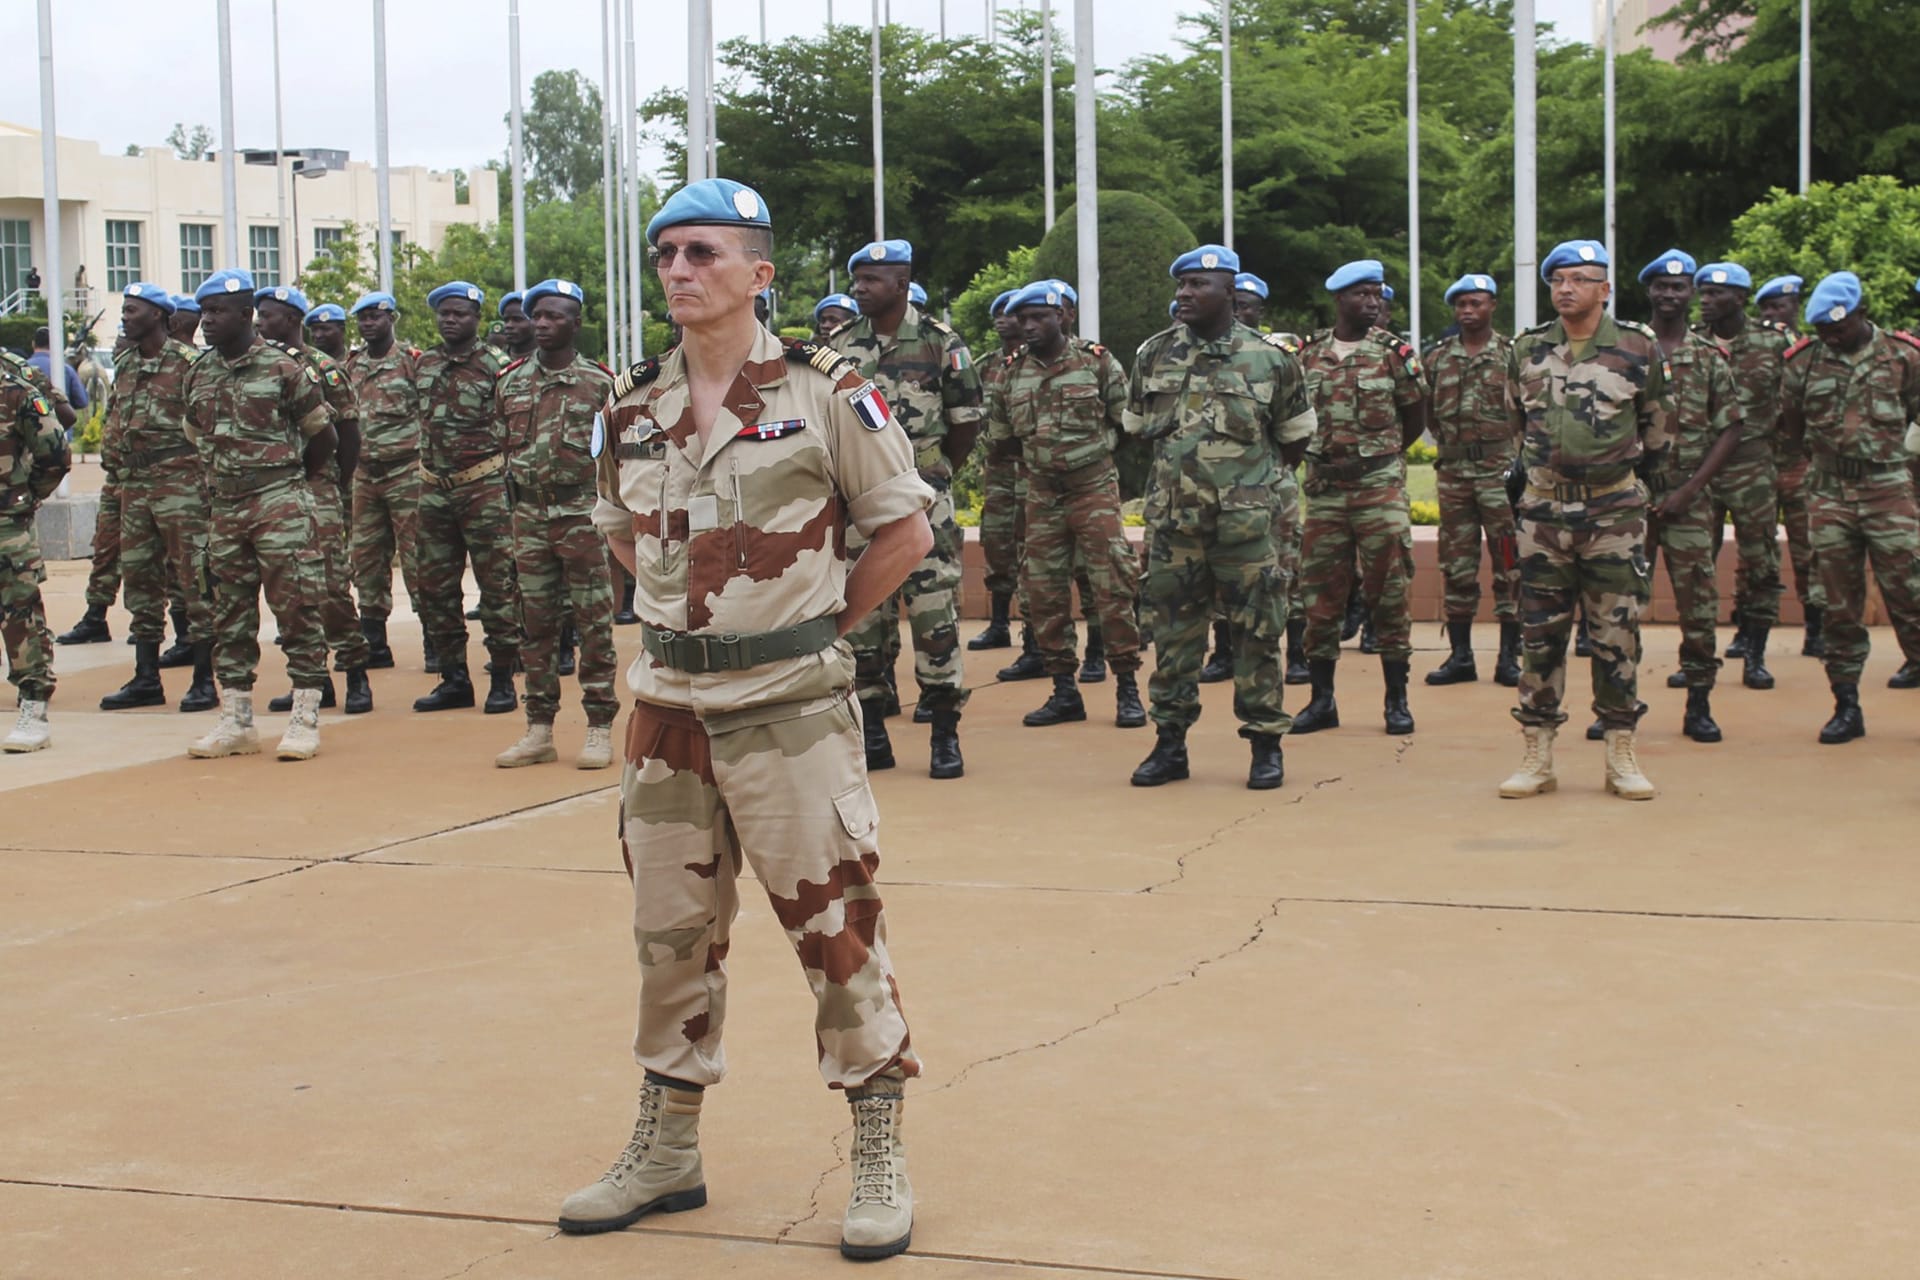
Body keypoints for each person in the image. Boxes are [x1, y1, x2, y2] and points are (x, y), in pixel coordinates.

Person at [566, 177, 929, 1261]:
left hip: (790, 713)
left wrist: (808, 628)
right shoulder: (631, 403)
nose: (679, 269)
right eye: (666, 252)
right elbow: (620, 533)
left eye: (704, 253)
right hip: (668, 710)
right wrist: (691, 621)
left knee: (836, 929)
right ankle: (667, 1144)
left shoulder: (828, 393)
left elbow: (901, 533)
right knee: (668, 935)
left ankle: (876, 1144)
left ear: (759, 273)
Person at [1125, 244, 1315, 790]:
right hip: (1174, 530)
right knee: (1173, 638)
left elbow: (1294, 441)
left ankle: (1264, 745)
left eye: (1197, 285)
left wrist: (1249, 491)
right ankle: (1169, 745)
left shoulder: (1271, 358)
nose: (1184, 293)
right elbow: (1137, 429)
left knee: (1258, 634)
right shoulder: (1153, 355)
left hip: (1249, 531)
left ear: (1230, 291)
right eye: (1180, 284)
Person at [1499, 240, 1671, 801]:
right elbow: (1516, 426)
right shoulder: (1526, 349)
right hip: (1543, 513)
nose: (1566, 289)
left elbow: (1656, 433)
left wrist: (1627, 490)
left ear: (1605, 289)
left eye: (1579, 279)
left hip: (1612, 513)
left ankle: (1620, 750)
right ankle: (1538, 753)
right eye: (1558, 280)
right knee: (1540, 634)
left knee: (1615, 636)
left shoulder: (1637, 349)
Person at [829, 239, 981, 779]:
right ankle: (873, 730)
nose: (859, 289)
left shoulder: (942, 343)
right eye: (857, 279)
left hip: (925, 505)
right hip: (861, 505)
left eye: (871, 280)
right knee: (863, 618)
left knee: (935, 616)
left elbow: (967, 421)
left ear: (900, 282)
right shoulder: (841, 347)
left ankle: (944, 733)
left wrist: (934, 474)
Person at [179, 268, 338, 762]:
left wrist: (287, 486)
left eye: (218, 312)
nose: (207, 321)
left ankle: (305, 715)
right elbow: (195, 437)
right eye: (204, 312)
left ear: (247, 316)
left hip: (279, 503)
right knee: (228, 613)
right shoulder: (199, 372)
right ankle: (237, 720)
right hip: (225, 508)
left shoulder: (285, 369)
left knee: (296, 608)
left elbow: (323, 439)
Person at [986, 281, 1145, 729]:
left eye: (1040, 317)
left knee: (1112, 583)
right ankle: (1064, 691)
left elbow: (1127, 420)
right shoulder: (1012, 373)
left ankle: (1127, 687)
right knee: (1043, 593)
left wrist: (1092, 454)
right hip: (1041, 494)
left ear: (1064, 317)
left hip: (1092, 488)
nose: (1030, 326)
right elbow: (1001, 440)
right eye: (1025, 319)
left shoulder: (1096, 363)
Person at [1778, 272, 1920, 743]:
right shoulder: (1804, 362)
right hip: (1830, 493)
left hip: (1889, 490)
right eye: (1823, 331)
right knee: (1837, 605)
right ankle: (1847, 706)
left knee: (1911, 594)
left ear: (1861, 314)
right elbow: (1793, 427)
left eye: (1838, 329)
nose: (1830, 338)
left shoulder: (1904, 357)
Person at [1291, 259, 1426, 737]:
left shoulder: (1394, 353)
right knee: (1320, 597)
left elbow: (1414, 416)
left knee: (1389, 590)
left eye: (1377, 295)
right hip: (1326, 491)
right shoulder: (1307, 355)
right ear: (1339, 299)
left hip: (1378, 488)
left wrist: (1380, 459)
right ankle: (1322, 700)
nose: (1373, 303)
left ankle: (1396, 700)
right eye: (1362, 295)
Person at [492, 278, 617, 769]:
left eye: (555, 316)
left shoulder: (602, 383)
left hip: (582, 513)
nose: (542, 324)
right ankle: (538, 728)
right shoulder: (510, 381)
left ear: (576, 323)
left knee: (594, 624)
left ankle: (599, 725)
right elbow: (506, 448)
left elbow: (619, 457)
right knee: (533, 623)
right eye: (537, 315)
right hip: (527, 516)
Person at [93, 282, 216, 716]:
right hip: (135, 484)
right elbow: (116, 420)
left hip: (181, 483)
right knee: (141, 580)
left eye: (133, 310)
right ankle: (146, 678)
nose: (125, 316)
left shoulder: (190, 364)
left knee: (194, 578)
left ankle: (204, 680)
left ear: (160, 317)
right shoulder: (125, 364)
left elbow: (210, 426)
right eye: (124, 310)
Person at [1638, 250, 1742, 744]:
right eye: (1662, 286)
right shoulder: (1627, 349)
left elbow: (1731, 429)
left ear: (1691, 294)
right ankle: (1616, 705)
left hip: (1690, 500)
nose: (1671, 294)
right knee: (1615, 609)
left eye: (1680, 287)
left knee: (1698, 607)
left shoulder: (1709, 356)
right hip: (1630, 500)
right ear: (1650, 291)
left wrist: (1691, 489)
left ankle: (1699, 705)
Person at [256, 284, 373, 715]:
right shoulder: (260, 365)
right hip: (276, 490)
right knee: (290, 589)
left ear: (290, 319)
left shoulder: (324, 368)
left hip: (318, 487)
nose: (260, 323)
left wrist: (334, 487)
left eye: (267, 316)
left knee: (330, 586)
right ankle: (311, 680)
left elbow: (348, 436)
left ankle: (356, 671)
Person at [411, 282, 521, 716]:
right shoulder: (424, 365)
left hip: (484, 488)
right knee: (434, 589)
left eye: (459, 313)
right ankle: (453, 678)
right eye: (444, 313)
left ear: (476, 318)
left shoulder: (497, 366)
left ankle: (502, 677)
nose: (450, 320)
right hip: (434, 490)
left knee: (497, 586)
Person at [1692, 262, 1791, 690]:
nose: (1707, 301)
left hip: (1753, 465)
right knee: (1695, 561)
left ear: (1740, 298)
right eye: (1704, 295)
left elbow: (1793, 407)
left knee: (1760, 561)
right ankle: (1696, 655)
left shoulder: (1773, 343)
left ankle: (1754, 650)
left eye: (1716, 294)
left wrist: (1780, 461)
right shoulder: (1692, 344)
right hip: (1700, 468)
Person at [1423, 273, 1521, 688]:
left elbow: (1528, 412)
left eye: (1476, 303)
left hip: (1501, 474)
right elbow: (1428, 413)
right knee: (1456, 565)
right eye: (1461, 304)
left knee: (1510, 564)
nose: (1468, 311)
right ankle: (1460, 656)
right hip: (1455, 477)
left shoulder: (1513, 355)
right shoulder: (1439, 358)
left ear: (1492, 306)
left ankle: (1509, 658)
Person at [345, 292, 427, 672]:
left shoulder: (411, 363)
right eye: (361, 319)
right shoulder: (352, 365)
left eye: (374, 317)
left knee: (416, 556)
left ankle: (436, 641)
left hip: (406, 471)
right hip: (365, 474)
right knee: (367, 556)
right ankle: (375, 641)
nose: (367, 324)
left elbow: (428, 411)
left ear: (390, 318)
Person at [0, 363, 70, 752]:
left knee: (20, 615)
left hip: (5, 524)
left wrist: (22, 500)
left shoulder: (18, 394)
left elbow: (55, 456)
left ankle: (33, 708)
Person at [970, 289, 1023, 652]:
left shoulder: (1040, 360)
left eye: (1010, 312)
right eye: (998, 314)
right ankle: (1000, 624)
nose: (1002, 319)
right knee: (997, 544)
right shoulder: (986, 366)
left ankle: (1038, 638)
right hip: (1000, 471)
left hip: (1038, 471)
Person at [29, 327, 89, 413]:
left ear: (33, 344)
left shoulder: (21, 368)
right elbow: (82, 401)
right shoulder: (66, 369)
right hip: (61, 424)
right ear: (54, 344)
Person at [497, 291, 536, 359]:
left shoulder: (552, 361)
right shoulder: (493, 361)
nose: (509, 325)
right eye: (506, 320)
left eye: (517, 319)